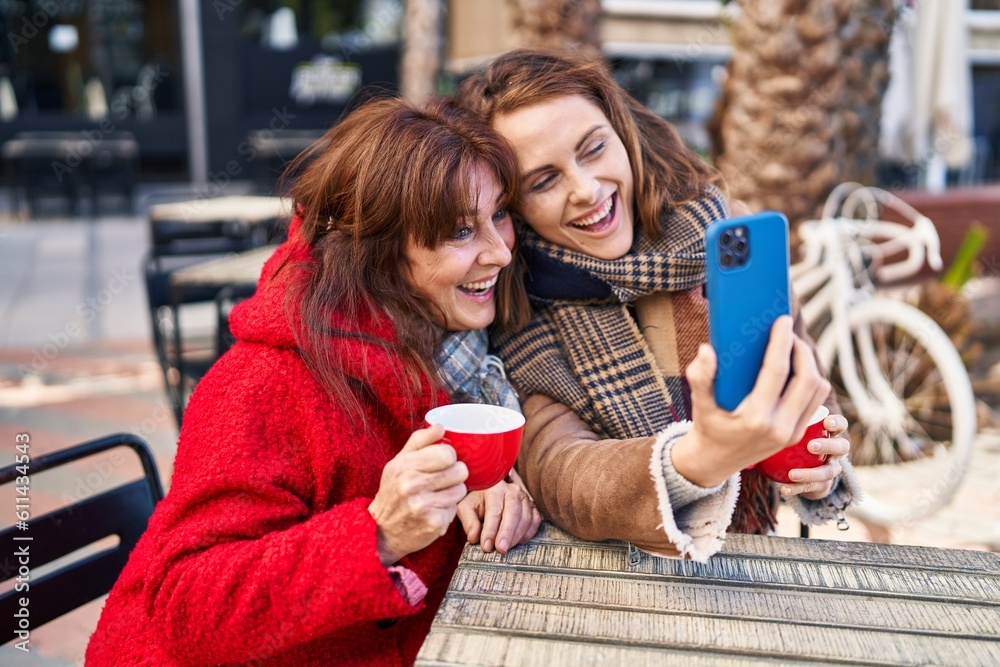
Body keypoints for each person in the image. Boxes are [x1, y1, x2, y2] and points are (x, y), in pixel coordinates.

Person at [86, 97, 542, 666]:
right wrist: (377, 534)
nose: (499, 252)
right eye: (458, 230)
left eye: (499, 214)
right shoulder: (262, 382)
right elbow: (188, 607)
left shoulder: (447, 345)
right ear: (377, 249)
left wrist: (483, 480)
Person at [457, 49, 859, 561]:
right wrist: (700, 458)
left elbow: (814, 404)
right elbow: (562, 475)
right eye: (544, 180)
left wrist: (820, 470)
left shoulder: (728, 242)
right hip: (609, 588)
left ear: (623, 134)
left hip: (752, 567)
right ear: (512, 206)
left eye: (594, 149)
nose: (586, 189)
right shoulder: (521, 308)